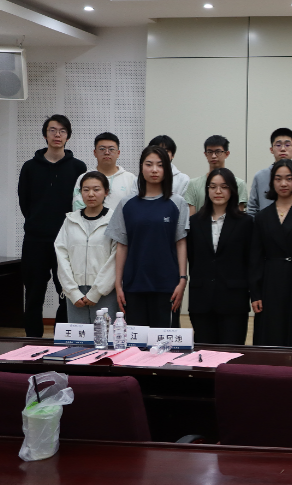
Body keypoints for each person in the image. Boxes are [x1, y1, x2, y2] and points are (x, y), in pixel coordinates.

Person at [18, 114, 88, 336]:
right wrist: (38, 222)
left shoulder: (78, 167)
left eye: (62, 131)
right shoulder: (29, 167)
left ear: (68, 136)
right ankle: (32, 341)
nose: (57, 135)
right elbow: (24, 202)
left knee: (66, 292)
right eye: (52, 130)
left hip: (67, 239)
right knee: (33, 293)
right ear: (45, 134)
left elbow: (81, 203)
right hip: (35, 240)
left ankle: (61, 339)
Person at [107, 146, 189, 328]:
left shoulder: (177, 202)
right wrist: (118, 284)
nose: (154, 170)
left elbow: (181, 242)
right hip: (134, 284)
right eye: (149, 164)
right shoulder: (126, 203)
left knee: (165, 340)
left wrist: (183, 279)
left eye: (160, 165)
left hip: (167, 286)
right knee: (136, 341)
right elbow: (122, 245)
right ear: (141, 167)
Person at [249, 159, 292, 347]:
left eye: (289, 178)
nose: (283, 183)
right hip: (270, 283)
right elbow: (255, 258)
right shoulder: (262, 216)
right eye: (278, 179)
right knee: (270, 336)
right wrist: (255, 293)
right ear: (272, 182)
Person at [186, 168, 254, 345]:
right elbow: (193, 258)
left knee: (232, 353)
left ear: (232, 190)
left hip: (234, 300)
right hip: (201, 299)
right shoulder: (194, 222)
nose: (218, 191)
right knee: (204, 353)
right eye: (213, 187)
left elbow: (249, 260)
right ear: (207, 190)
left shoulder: (245, 222)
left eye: (224, 187)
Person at [55, 171, 118, 324]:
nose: (91, 194)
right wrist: (72, 292)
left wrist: (96, 292)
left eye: (96, 189)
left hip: (104, 292)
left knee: (105, 336)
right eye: (86, 189)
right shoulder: (70, 220)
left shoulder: (115, 220)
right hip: (75, 294)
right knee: (78, 337)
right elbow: (61, 255)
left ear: (106, 192)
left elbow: (116, 259)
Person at [248, 128, 292, 217]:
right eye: (278, 145)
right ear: (271, 149)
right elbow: (252, 208)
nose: (283, 149)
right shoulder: (260, 176)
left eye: (287, 145)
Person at [71, 132, 138, 211]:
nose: (107, 152)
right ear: (95, 153)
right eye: (102, 149)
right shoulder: (84, 178)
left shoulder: (130, 178)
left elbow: (135, 207)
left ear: (118, 153)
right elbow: (78, 208)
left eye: (111, 149)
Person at [184, 135, 248, 215]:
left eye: (218, 152)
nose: (213, 156)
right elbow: (191, 216)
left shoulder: (239, 184)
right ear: (205, 154)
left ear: (227, 154)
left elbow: (239, 215)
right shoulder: (193, 184)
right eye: (210, 152)